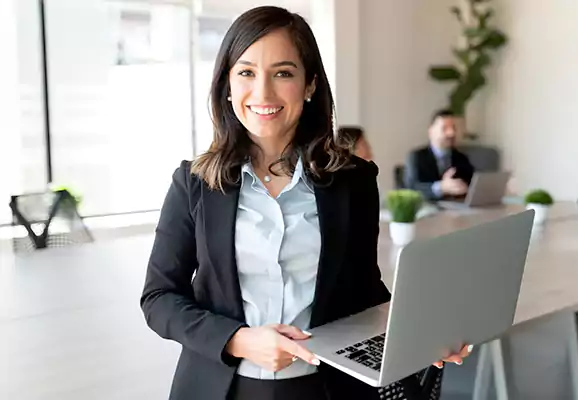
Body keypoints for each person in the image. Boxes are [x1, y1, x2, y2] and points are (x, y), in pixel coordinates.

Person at [139, 7, 469, 400]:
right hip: (220, 387)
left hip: (326, 388)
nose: (263, 93)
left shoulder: (353, 181)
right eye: (246, 72)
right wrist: (238, 340)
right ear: (227, 84)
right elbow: (159, 298)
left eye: (283, 73)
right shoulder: (194, 183)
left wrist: (418, 334)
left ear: (310, 84)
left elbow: (364, 292)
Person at [404, 109, 475, 200]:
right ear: (431, 131)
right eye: (444, 128)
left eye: (454, 128)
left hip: (456, 209)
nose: (451, 133)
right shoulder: (416, 157)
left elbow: (472, 185)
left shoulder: (461, 158)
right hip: (427, 208)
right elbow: (411, 189)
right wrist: (440, 187)